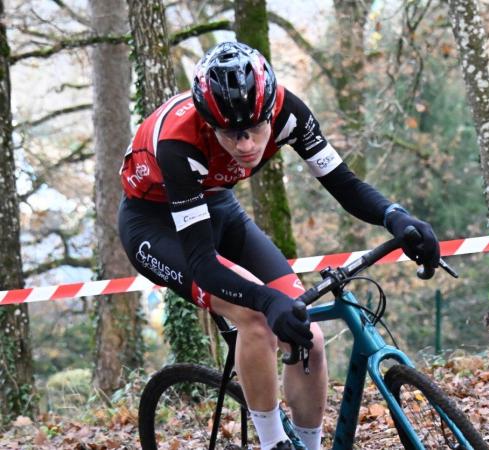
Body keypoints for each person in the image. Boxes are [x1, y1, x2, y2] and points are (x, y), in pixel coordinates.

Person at [118, 41, 440, 450]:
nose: (247, 144)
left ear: (270, 109)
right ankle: (273, 444)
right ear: (208, 123)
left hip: (216, 203)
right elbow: (201, 262)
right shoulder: (178, 145)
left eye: (254, 129)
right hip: (153, 223)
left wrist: (397, 217)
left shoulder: (290, 112)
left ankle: (308, 445)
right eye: (231, 135)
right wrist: (267, 302)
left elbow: (344, 184)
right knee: (255, 317)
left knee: (310, 338)